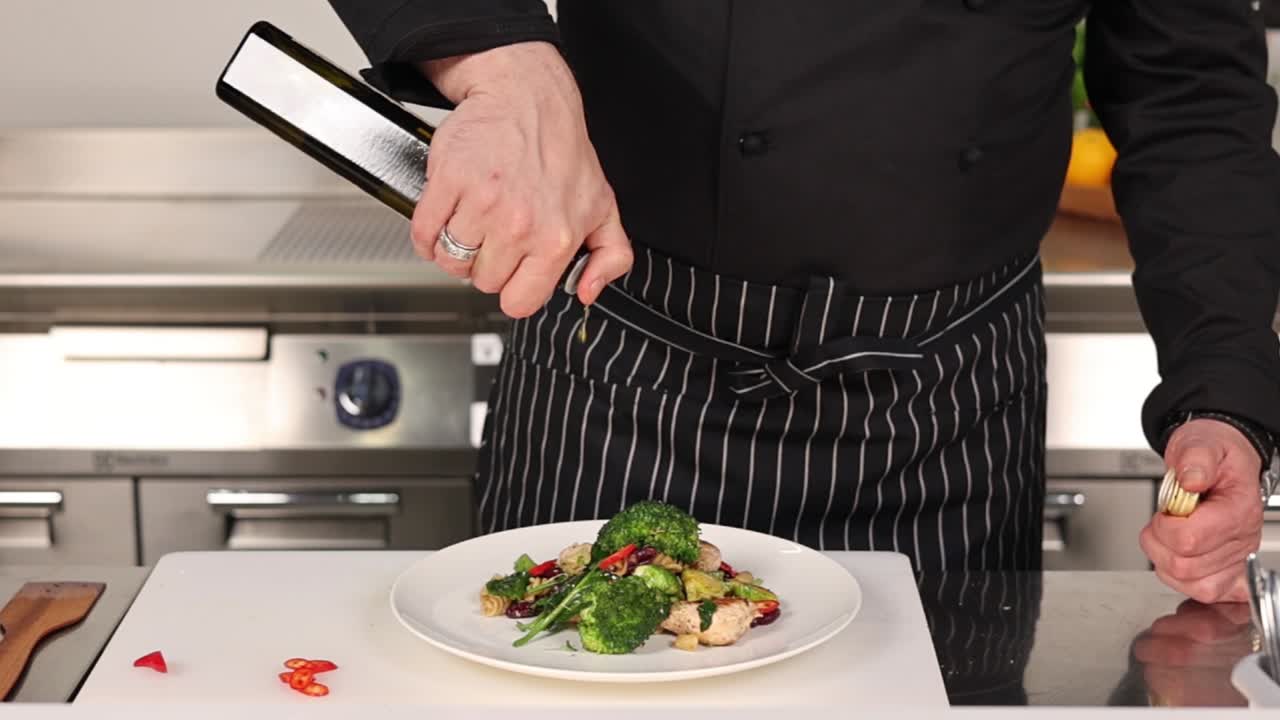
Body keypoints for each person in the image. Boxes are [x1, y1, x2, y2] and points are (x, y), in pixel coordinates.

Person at [327, 2, 1280, 602]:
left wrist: (1223, 387)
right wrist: (499, 63)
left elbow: (1189, 91)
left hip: (945, 406)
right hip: (628, 368)